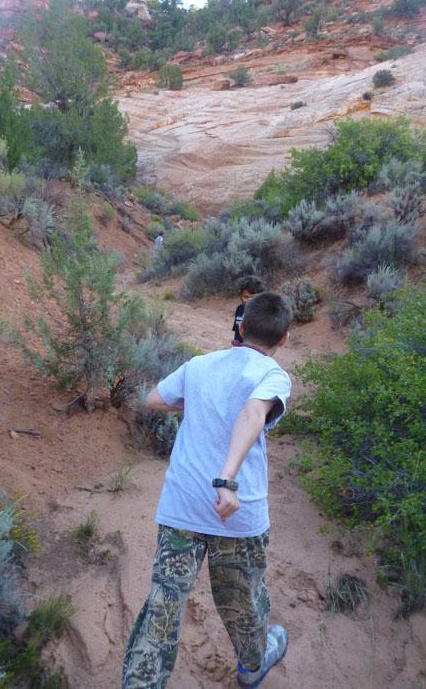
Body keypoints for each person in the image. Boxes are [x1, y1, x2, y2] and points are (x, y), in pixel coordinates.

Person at [122, 292, 293, 689]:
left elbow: (154, 399)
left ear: (241, 327)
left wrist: (198, 404)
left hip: (182, 507)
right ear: (284, 339)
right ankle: (252, 667)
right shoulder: (273, 375)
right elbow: (253, 411)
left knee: (163, 606)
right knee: (243, 601)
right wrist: (226, 480)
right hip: (238, 512)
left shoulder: (199, 365)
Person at [232, 276, 266, 346]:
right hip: (238, 348)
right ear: (241, 296)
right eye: (246, 297)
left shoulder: (261, 313)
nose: (249, 300)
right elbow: (237, 332)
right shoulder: (239, 309)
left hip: (253, 350)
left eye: (253, 297)